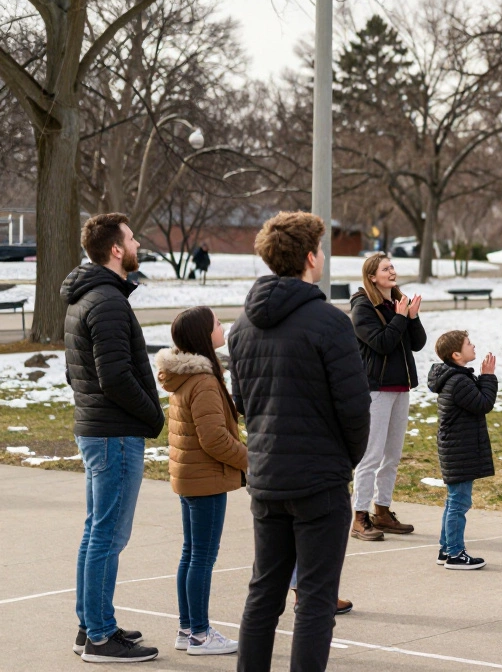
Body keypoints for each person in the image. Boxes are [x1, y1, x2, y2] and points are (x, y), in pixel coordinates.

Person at [228, 211, 370, 671]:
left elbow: (244, 402)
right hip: (317, 482)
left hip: (269, 478)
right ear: (310, 257)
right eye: (322, 250)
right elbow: (354, 409)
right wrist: (343, 461)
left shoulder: (241, 327)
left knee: (264, 593)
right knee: (314, 600)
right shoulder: (331, 323)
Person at [64, 213, 165, 663]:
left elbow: (74, 373)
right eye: (131, 237)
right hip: (113, 434)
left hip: (99, 430)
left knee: (96, 532)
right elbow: (115, 378)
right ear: (116, 250)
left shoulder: (88, 296)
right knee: (107, 535)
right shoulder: (106, 301)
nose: (137, 241)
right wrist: (153, 417)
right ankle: (101, 637)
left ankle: (91, 626)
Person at [157, 307, 249, 656]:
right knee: (202, 558)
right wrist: (251, 461)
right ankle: (199, 633)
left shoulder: (184, 375)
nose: (222, 327)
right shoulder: (205, 381)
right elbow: (215, 440)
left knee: (191, 554)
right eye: (217, 324)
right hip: (205, 479)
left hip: (189, 476)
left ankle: (187, 628)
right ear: (202, 335)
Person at [349, 253, 426, 542]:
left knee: (392, 455)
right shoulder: (362, 307)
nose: (392, 272)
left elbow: (417, 344)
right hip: (376, 390)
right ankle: (359, 517)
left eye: (393, 267)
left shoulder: (398, 303)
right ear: (372, 276)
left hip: (400, 388)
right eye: (385, 268)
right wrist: (400, 317)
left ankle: (382, 511)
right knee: (372, 455)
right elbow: (382, 343)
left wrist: (412, 317)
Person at [427, 330, 499, 570]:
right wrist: (488, 377)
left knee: (454, 501)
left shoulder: (457, 377)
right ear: (456, 354)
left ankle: (446, 549)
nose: (473, 345)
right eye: (469, 343)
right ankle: (456, 554)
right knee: (459, 502)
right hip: (459, 449)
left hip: (457, 448)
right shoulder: (458, 381)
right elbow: (483, 404)